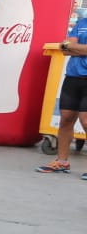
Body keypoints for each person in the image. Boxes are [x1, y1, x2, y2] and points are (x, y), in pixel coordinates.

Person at [36, 10, 87, 175]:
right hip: (72, 77)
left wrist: (72, 47)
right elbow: (64, 49)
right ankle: (62, 162)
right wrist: (74, 47)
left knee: (85, 121)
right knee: (66, 118)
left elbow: (69, 46)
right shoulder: (81, 23)